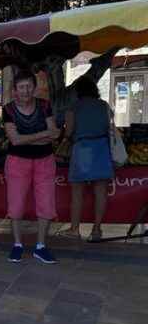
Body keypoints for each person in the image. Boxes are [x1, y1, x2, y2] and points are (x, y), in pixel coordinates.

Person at [2, 70, 60, 264]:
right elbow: (15, 140)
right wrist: (42, 134)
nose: (25, 90)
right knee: (16, 205)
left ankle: (41, 246)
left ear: (34, 88)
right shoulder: (8, 109)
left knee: (46, 203)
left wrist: (30, 138)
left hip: (45, 161)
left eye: (28, 86)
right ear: (15, 90)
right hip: (17, 162)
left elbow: (55, 134)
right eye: (21, 87)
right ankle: (17, 245)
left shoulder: (44, 105)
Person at [58, 76, 115, 242]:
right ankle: (96, 230)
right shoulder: (104, 106)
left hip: (82, 149)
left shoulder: (74, 107)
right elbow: (110, 126)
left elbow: (68, 132)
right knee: (100, 193)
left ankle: (75, 230)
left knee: (77, 194)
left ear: (78, 92)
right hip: (102, 149)